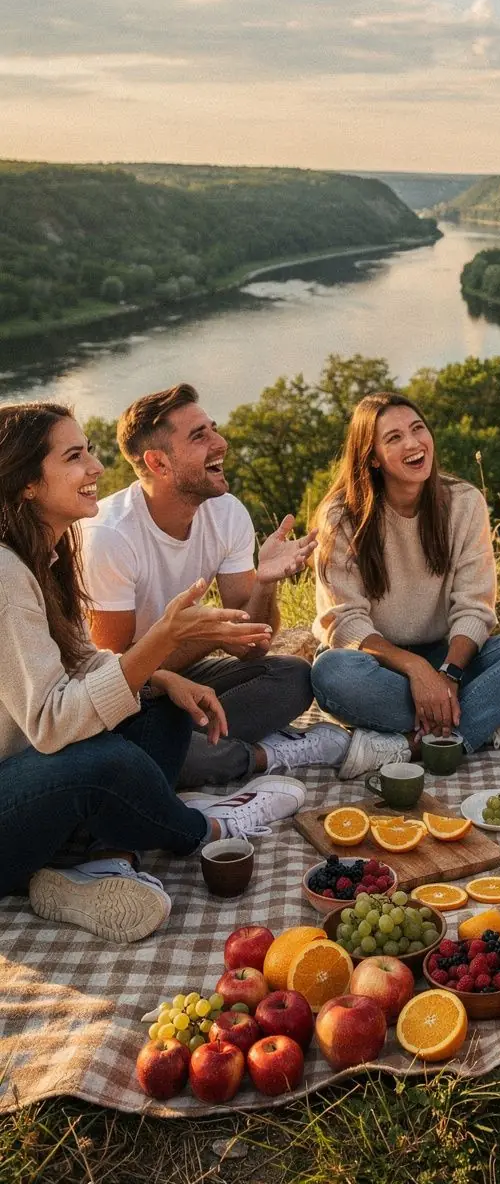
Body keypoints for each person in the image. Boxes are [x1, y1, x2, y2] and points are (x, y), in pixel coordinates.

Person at [0, 402, 306, 944]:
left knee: (160, 704)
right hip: (17, 790)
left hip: (32, 779)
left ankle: (102, 860)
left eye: (89, 450)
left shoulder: (44, 553)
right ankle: (206, 827)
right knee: (108, 762)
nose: (95, 468)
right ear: (26, 484)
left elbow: (83, 658)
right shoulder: (7, 576)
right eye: (74, 457)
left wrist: (162, 675)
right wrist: (166, 640)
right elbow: (50, 722)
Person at [81, 383, 384, 786]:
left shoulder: (225, 513)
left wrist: (263, 582)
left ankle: (186, 749)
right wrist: (208, 634)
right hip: (114, 698)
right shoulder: (111, 537)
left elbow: (254, 645)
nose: (220, 443)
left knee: (292, 677)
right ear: (158, 463)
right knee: (157, 757)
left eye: (213, 429)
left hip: (184, 680)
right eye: (199, 436)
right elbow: (115, 678)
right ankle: (263, 755)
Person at [310, 391, 500, 767]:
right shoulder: (341, 516)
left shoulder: (464, 502)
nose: (413, 443)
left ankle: (415, 744)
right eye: (394, 438)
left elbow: (474, 606)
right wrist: (417, 670)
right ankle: (492, 720)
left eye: (418, 429)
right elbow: (345, 624)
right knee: (330, 674)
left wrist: (447, 675)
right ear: (372, 457)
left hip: (451, 655)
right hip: (379, 664)